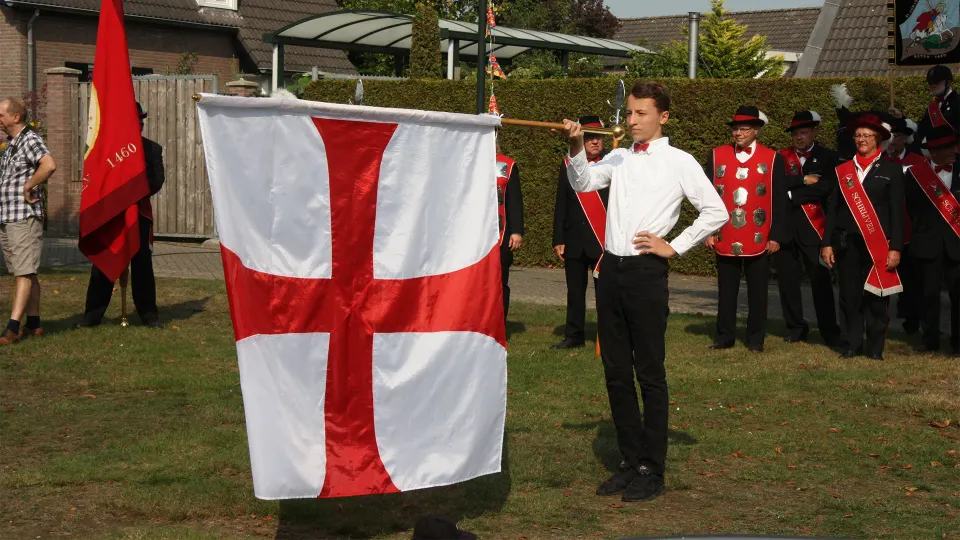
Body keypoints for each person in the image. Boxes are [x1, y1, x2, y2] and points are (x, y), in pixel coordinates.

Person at [561, 82, 727, 503]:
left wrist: (674, 246)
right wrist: (577, 144)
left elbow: (716, 211)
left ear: (663, 117)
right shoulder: (618, 156)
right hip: (610, 271)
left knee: (649, 372)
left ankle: (653, 467)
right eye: (630, 112)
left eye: (641, 113)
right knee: (616, 371)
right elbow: (582, 183)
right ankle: (630, 460)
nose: (631, 120)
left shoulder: (679, 161)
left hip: (646, 273)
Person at [704, 106, 790, 352]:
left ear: (756, 131)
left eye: (744, 129)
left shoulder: (772, 158)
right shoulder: (716, 155)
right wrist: (707, 231)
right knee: (726, 290)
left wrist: (776, 235)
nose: (738, 133)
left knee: (758, 292)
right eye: (735, 129)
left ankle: (755, 339)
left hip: (759, 235)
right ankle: (724, 337)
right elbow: (707, 197)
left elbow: (779, 200)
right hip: (725, 233)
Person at [822, 114, 904, 360]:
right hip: (847, 241)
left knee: (877, 295)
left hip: (878, 242)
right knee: (849, 295)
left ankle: (875, 347)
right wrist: (827, 243)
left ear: (877, 139)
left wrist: (896, 247)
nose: (861, 139)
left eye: (867, 135)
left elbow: (898, 212)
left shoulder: (891, 169)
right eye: (858, 135)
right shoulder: (842, 170)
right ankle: (852, 343)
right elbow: (833, 209)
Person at [77, 102, 163, 328]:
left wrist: (133, 191)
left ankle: (149, 315)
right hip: (112, 214)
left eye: (142, 120)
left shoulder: (153, 149)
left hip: (139, 213)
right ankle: (92, 316)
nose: (140, 124)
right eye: (136, 120)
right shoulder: (107, 149)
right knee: (104, 261)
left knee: (142, 264)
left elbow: (157, 181)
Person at [775, 111, 844, 347]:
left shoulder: (828, 157)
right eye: (795, 133)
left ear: (814, 132)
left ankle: (829, 331)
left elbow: (827, 187)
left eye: (803, 132)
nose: (799, 137)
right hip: (785, 228)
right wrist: (803, 181)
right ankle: (796, 328)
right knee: (787, 282)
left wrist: (791, 195)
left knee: (820, 282)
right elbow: (775, 185)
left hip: (815, 229)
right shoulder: (781, 157)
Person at [0, 97, 57, 345]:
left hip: (24, 216)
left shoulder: (30, 139)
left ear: (16, 117)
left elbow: (49, 165)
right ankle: (34, 324)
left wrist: (29, 185)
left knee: (23, 273)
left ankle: (13, 327)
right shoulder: (11, 144)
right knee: (26, 272)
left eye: (1, 115)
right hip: (9, 217)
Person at [552, 115, 609, 350]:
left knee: (605, 293)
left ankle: (607, 336)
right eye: (590, 137)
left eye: (599, 137)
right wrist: (558, 238)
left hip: (602, 239)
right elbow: (562, 203)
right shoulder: (568, 164)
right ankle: (573, 335)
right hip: (574, 239)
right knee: (575, 293)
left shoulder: (612, 165)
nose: (595, 141)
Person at [903, 125, 959, 357]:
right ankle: (930, 340)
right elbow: (911, 207)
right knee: (928, 295)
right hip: (927, 242)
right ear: (934, 151)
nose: (955, 151)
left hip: (957, 243)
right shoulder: (915, 174)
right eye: (949, 148)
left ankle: (958, 343)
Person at [885, 117, 926, 334]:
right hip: (884, 228)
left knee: (911, 277)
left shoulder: (917, 161)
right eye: (890, 136)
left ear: (905, 138)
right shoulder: (879, 161)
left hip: (910, 227)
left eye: (898, 136)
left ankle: (913, 319)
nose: (893, 140)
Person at [496, 142, 523, 325]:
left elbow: (514, 201)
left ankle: (499, 325)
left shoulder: (508, 164)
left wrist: (517, 231)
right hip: (474, 236)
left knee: (500, 282)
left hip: (501, 234)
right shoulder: (468, 161)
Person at [915, 65, 958, 151]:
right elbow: (921, 130)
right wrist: (901, 119)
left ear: (948, 83)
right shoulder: (932, 106)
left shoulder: (957, 102)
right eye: (930, 83)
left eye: (937, 82)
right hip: (938, 154)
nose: (933, 85)